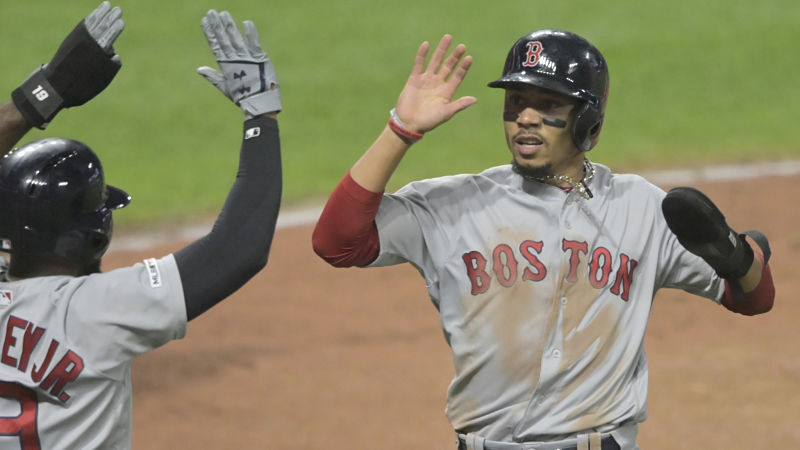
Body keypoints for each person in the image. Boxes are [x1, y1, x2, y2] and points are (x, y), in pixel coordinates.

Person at [312, 30, 775, 450]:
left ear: (589, 122)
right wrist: (400, 130)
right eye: (516, 101)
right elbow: (337, 242)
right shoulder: (453, 205)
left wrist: (734, 255)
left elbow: (752, 296)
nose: (526, 118)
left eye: (549, 104)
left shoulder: (641, 208)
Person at [0, 3, 282, 448]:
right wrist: (261, 119)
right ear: (93, 236)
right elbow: (238, 248)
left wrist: (39, 96)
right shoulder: (99, 312)